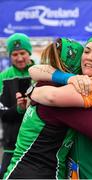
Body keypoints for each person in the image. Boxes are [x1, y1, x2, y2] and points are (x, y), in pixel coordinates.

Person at [4, 36, 92, 179]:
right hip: (38, 173)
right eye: (86, 52)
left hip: (24, 170)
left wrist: (33, 90)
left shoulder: (48, 85)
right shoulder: (65, 99)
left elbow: (36, 71)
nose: (88, 58)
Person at [0, 33, 34, 177]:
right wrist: (19, 109)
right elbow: (2, 113)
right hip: (11, 145)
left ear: (29, 53)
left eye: (22, 53)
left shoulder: (40, 73)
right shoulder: (3, 76)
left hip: (36, 142)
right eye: (14, 54)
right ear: (9, 56)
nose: (19, 58)